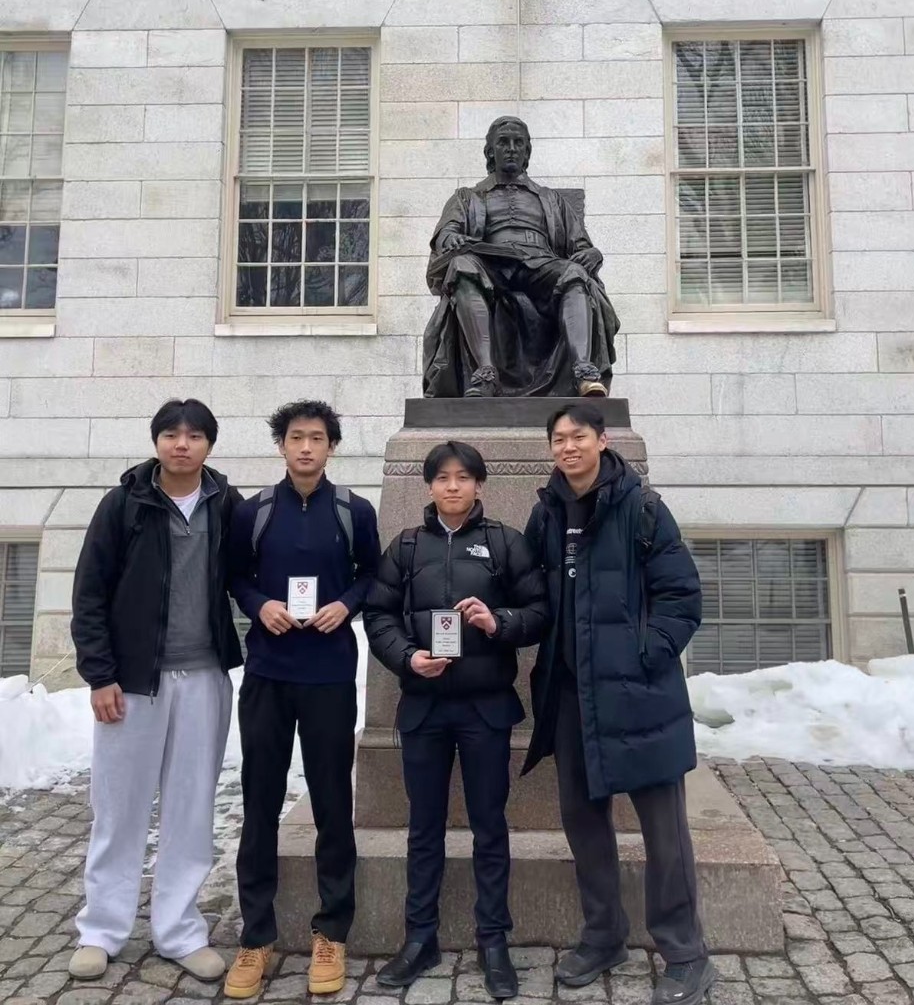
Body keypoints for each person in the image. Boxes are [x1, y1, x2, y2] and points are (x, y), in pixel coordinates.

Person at [521, 403, 716, 1005]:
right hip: (572, 699)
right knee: (583, 823)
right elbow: (534, 595)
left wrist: (645, 656)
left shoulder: (643, 507)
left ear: (602, 441)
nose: (568, 447)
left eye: (578, 435)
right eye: (558, 438)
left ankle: (685, 952)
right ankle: (604, 934)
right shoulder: (546, 512)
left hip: (639, 696)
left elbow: (681, 596)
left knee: (664, 832)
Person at [364, 441, 546, 1000]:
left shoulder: (504, 543)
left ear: (479, 485)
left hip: (485, 707)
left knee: (490, 826)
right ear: (428, 486)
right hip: (423, 706)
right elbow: (379, 613)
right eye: (442, 478)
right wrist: (407, 657)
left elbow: (540, 612)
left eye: (463, 477)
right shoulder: (407, 546)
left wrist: (500, 622)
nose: (452, 487)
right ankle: (421, 937)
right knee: (424, 827)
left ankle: (494, 939)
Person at [68, 399, 242, 983]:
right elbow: (90, 592)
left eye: (194, 436)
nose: (182, 445)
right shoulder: (124, 504)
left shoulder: (228, 504)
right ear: (157, 441)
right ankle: (102, 929)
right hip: (133, 683)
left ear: (210, 446)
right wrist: (100, 674)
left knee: (191, 810)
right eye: (171, 434)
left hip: (205, 677)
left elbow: (251, 573)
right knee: (119, 808)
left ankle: (178, 929)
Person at [223, 400, 380, 1000]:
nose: (306, 448)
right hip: (268, 671)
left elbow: (374, 571)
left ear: (332, 447)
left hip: (329, 675)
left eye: (317, 438)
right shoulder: (255, 512)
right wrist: (259, 605)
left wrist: (349, 603)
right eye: (296, 438)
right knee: (260, 801)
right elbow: (235, 574)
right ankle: (256, 935)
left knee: (334, 804)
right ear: (281, 446)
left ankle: (331, 929)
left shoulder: (353, 511)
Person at [422, 115, 620, 398]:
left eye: (519, 143)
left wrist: (593, 253)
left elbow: (581, 245)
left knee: (575, 274)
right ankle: (486, 374)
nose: (511, 148)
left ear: (527, 152)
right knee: (461, 265)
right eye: (503, 143)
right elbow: (446, 232)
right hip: (491, 264)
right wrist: (450, 237)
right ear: (490, 152)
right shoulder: (468, 196)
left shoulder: (551, 199)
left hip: (541, 264)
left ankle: (583, 372)